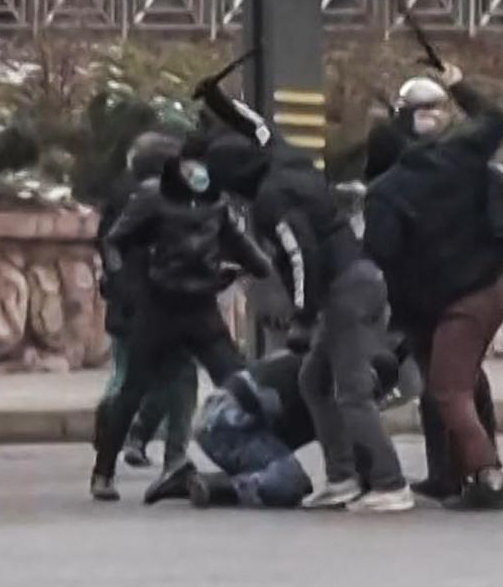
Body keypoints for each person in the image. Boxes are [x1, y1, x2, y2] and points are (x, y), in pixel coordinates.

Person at [202, 102, 412, 513]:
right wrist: (220, 104)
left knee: (351, 393)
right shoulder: (285, 158)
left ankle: (390, 482)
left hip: (344, 290)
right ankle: (342, 477)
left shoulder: (271, 200)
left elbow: (302, 256)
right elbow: (260, 125)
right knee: (314, 382)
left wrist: (301, 315)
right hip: (358, 280)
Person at [364, 63, 503, 511]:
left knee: (449, 391)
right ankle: (456, 473)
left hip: (446, 300)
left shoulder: (386, 192)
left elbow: (381, 251)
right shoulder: (463, 156)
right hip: (489, 286)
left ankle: (487, 476)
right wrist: (459, 82)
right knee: (462, 380)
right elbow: (493, 118)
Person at [90, 142, 272, 501]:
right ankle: (103, 471)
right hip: (159, 307)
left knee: (239, 384)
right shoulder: (150, 197)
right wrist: (123, 283)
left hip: (201, 307)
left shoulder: (216, 203)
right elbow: (113, 242)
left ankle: (256, 462)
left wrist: (261, 264)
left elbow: (237, 241)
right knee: (133, 389)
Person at [143, 348, 408, 509]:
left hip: (226, 419)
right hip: (226, 423)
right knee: (289, 482)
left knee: (282, 474)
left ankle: (184, 479)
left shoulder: (326, 368)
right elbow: (355, 446)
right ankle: (203, 484)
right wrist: (381, 484)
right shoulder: (330, 383)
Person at [95, 131, 199, 473]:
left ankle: (119, 427)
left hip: (127, 298)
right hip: (160, 301)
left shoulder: (120, 194)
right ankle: (167, 452)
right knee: (176, 376)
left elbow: (107, 243)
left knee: (129, 373)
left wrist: (115, 282)